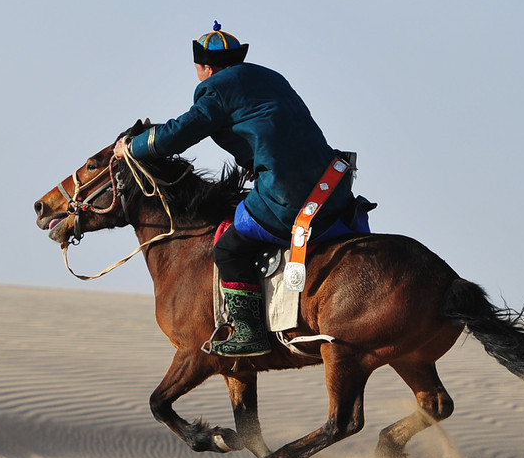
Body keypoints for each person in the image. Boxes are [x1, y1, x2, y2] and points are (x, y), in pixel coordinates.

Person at [113, 22, 369, 357]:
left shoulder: (215, 89)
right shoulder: (270, 78)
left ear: (206, 67)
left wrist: (132, 148)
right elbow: (277, 128)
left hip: (290, 196)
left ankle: (249, 333)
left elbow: (179, 133)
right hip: (332, 185)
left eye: (198, 67)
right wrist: (253, 159)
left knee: (229, 248)